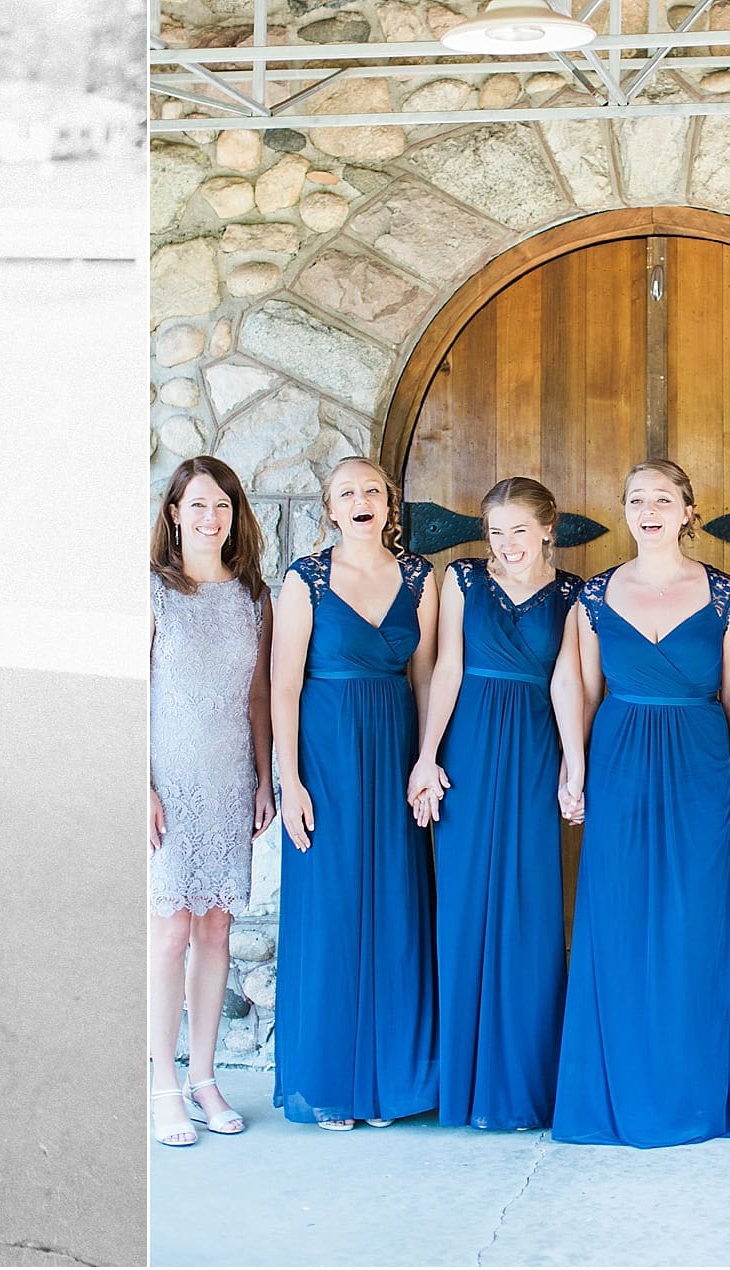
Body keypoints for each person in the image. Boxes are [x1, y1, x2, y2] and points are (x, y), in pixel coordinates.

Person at [551, 458, 730, 1148]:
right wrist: (573, 770)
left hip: (697, 756)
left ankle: (689, 1096)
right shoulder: (595, 596)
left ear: (688, 510)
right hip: (620, 758)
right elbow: (572, 686)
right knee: (616, 918)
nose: (649, 509)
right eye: (636, 498)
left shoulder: (727, 596)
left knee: (692, 922)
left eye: (663, 498)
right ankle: (611, 1091)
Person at [409, 476, 582, 1130]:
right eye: (496, 531)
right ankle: (465, 1084)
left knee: (529, 912)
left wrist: (573, 762)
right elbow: (444, 668)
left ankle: (522, 1090)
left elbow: (570, 683)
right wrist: (426, 758)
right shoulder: (459, 581)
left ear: (546, 529)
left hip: (535, 748)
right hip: (469, 749)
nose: (506, 544)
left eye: (519, 530)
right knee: (463, 907)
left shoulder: (572, 595)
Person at [272, 456, 438, 1129]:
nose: (361, 499)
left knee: (397, 909)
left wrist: (425, 762)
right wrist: (291, 784)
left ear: (388, 505)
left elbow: (426, 678)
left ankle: (391, 1084)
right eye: (347, 492)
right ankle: (331, 1083)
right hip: (327, 756)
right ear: (330, 510)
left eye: (372, 489)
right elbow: (283, 685)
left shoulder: (420, 580)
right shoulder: (305, 580)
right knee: (332, 912)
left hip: (395, 750)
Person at [148, 456, 275, 1147]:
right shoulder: (151, 592)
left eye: (221, 507)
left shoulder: (253, 598)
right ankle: (162, 1082)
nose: (209, 518)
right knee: (169, 931)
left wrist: (265, 778)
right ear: (173, 512)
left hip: (229, 779)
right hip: (167, 780)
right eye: (196, 505)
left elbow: (258, 698)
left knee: (215, 930)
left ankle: (203, 1077)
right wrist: (137, 785)